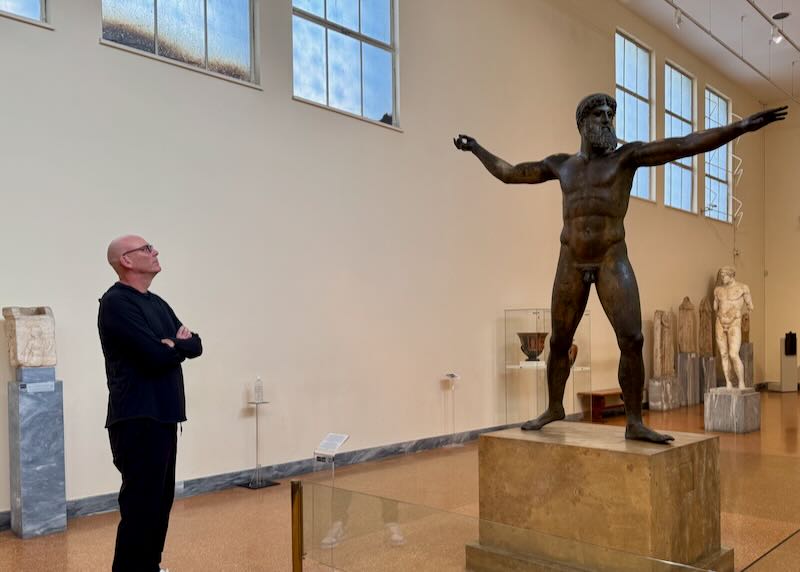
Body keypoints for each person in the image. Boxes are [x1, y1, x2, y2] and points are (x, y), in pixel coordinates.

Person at [455, 94, 787, 443]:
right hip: (571, 258)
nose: (607, 120)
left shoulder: (626, 157)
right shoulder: (561, 165)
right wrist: (477, 148)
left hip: (612, 257)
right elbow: (510, 173)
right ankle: (554, 406)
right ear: (582, 123)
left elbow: (684, 145)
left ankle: (633, 420)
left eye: (610, 114)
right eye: (599, 114)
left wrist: (741, 127)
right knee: (559, 341)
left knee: (632, 338)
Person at [98, 235, 203, 572]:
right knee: (141, 506)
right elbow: (154, 355)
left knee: (160, 503)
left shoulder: (156, 303)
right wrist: (174, 345)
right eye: (146, 248)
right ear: (126, 261)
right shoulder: (116, 303)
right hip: (136, 417)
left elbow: (195, 343)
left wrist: (173, 343)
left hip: (165, 416)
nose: (155, 251)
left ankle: (150, 566)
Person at [713, 266, 753, 389]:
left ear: (731, 275)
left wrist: (740, 316)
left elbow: (750, 306)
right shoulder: (718, 290)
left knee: (733, 354)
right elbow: (715, 308)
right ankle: (728, 382)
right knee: (723, 354)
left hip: (734, 322)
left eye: (725, 275)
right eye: (721, 276)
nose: (723, 278)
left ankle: (741, 382)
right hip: (720, 322)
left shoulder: (742, 288)